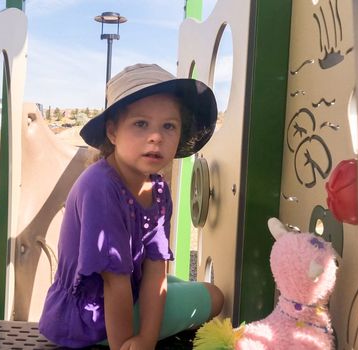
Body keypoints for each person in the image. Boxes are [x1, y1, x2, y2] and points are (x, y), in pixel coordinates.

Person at [39, 63, 224, 349]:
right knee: (213, 296)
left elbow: (154, 271)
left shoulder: (158, 189)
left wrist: (147, 333)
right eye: (141, 124)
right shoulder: (100, 186)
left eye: (169, 126)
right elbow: (114, 282)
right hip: (90, 320)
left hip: (123, 292)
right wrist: (134, 342)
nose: (156, 136)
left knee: (168, 283)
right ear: (113, 132)